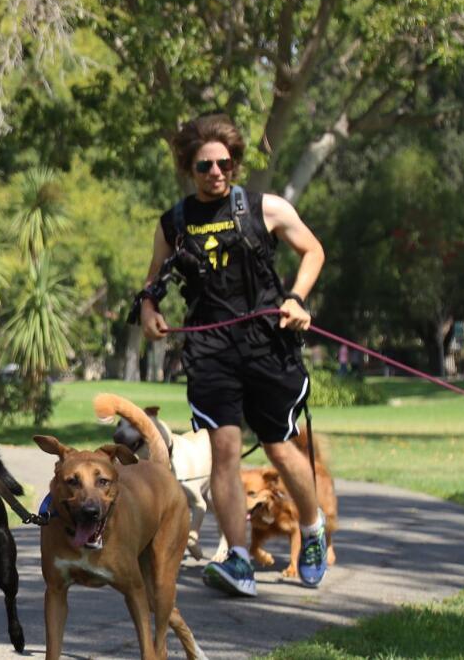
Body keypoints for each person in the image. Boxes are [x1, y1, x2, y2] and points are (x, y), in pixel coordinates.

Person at [136, 114, 328, 597]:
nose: (216, 172)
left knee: (280, 448)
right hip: (210, 349)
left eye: (224, 162)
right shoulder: (174, 223)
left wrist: (297, 299)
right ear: (189, 168)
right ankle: (238, 560)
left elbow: (313, 252)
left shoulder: (265, 208)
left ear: (235, 163)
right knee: (223, 449)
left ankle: (311, 527)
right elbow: (152, 282)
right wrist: (148, 311)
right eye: (205, 165)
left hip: (267, 342)